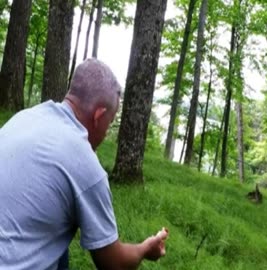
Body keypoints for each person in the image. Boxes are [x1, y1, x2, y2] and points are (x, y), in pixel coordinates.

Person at [0, 58, 168, 269]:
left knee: (60, 251)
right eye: (110, 122)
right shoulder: (86, 165)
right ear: (99, 116)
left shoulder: (25, 118)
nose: (106, 133)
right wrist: (145, 248)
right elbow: (114, 264)